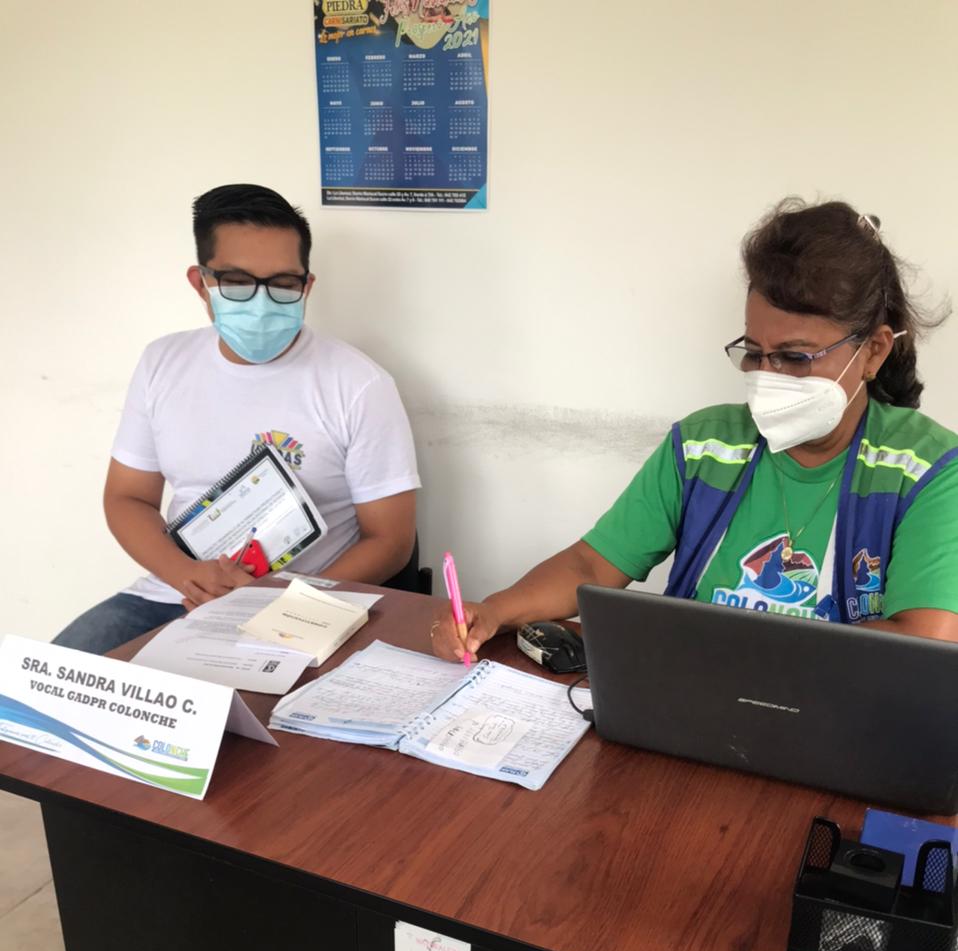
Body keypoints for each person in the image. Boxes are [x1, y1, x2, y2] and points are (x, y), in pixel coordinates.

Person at [432, 198, 958, 663]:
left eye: (796, 358)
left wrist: (746, 665)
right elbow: (591, 564)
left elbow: (923, 640)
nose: (768, 376)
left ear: (873, 351)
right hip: (692, 697)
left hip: (836, 715)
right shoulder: (706, 445)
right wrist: (493, 612)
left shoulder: (928, 471)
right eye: (754, 352)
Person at [55, 183, 420, 654]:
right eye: (237, 281)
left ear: (307, 286)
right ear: (200, 282)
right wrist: (189, 576)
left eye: (283, 283)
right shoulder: (162, 363)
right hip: (173, 594)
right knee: (32, 690)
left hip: (299, 606)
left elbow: (390, 539)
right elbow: (126, 498)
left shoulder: (358, 384)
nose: (261, 302)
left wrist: (287, 602)